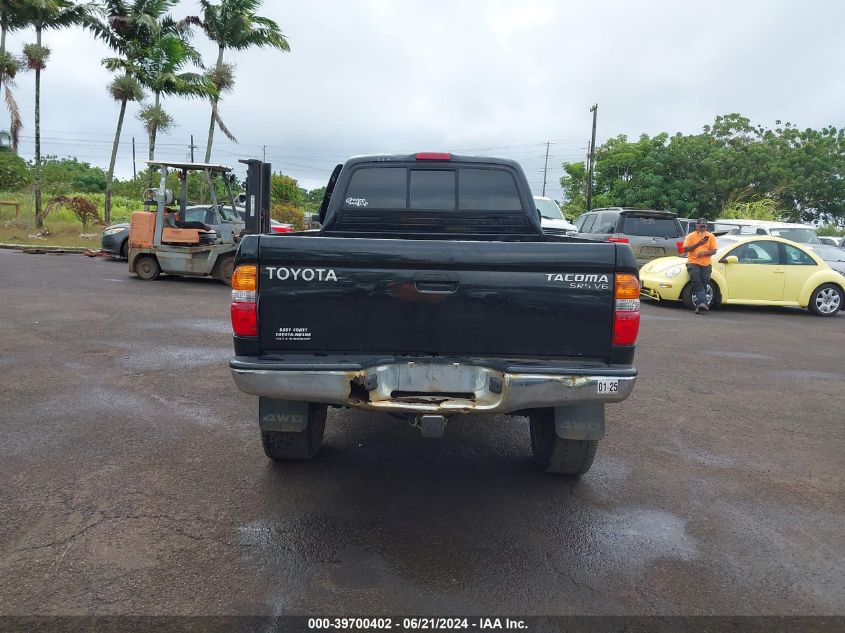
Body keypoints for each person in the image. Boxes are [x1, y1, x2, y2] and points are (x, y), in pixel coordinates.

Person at [682, 218, 718, 314]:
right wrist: (698, 243)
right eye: (701, 226)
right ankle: (703, 303)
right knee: (696, 281)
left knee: (704, 283)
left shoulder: (711, 236)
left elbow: (714, 251)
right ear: (697, 226)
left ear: (706, 226)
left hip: (706, 263)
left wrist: (703, 253)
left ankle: (700, 306)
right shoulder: (691, 236)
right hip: (693, 262)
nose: (703, 228)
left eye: (704, 226)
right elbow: (685, 249)